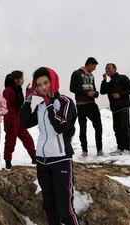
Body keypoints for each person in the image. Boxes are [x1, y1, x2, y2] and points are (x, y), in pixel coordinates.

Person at [21, 67, 79, 225]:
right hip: (42, 161)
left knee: (65, 209)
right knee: (49, 206)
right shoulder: (40, 106)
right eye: (39, 85)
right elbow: (24, 123)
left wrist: (50, 106)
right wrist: (27, 101)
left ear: (53, 81)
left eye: (46, 82)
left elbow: (61, 127)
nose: (43, 87)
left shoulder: (65, 102)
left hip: (60, 160)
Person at [3, 71, 36, 170]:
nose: (23, 80)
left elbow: (20, 105)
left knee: (27, 138)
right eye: (21, 78)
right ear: (16, 79)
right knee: (10, 142)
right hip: (11, 120)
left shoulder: (18, 89)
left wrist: (28, 94)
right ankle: (8, 162)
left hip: (19, 118)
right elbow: (5, 107)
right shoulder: (8, 91)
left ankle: (34, 157)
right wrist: (7, 123)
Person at [70, 57, 103, 157]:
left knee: (98, 126)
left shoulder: (92, 76)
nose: (95, 68)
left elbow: (93, 88)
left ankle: (99, 149)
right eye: (94, 66)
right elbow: (72, 88)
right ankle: (84, 150)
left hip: (92, 104)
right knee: (83, 128)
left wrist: (95, 93)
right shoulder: (76, 73)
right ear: (89, 64)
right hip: (81, 105)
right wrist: (86, 93)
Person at [100, 63, 130, 156]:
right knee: (117, 128)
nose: (107, 70)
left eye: (109, 68)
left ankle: (127, 148)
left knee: (124, 127)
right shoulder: (110, 82)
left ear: (115, 69)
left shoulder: (122, 77)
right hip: (114, 109)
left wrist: (120, 94)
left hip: (123, 106)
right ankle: (120, 148)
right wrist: (104, 80)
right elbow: (102, 91)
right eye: (106, 69)